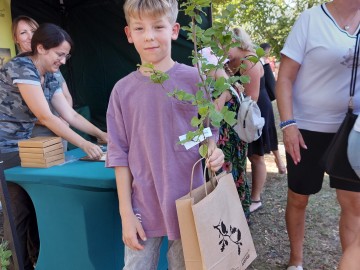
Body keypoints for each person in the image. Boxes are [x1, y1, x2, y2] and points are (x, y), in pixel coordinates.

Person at [105, 0, 224, 269]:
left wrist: (213, 150)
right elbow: (118, 155)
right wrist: (126, 213)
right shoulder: (122, 91)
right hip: (143, 207)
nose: (149, 36)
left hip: (190, 203)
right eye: (139, 28)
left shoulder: (195, 80)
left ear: (174, 29)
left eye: (158, 26)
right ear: (128, 34)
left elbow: (206, 132)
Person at [0, 23, 107, 270]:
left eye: (66, 55)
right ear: (41, 48)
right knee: (17, 212)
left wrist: (102, 135)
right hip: (5, 149)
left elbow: (69, 114)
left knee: (36, 207)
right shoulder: (22, 67)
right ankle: (17, 265)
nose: (63, 61)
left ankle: (39, 262)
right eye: (59, 54)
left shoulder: (49, 75)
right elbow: (46, 116)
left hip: (26, 148)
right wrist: (83, 143)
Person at [276, 0, 360, 268]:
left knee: (354, 204)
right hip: (306, 129)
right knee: (299, 197)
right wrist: (288, 124)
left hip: (353, 130)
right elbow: (285, 78)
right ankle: (296, 261)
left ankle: (351, 262)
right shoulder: (311, 19)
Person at [226, 27, 280, 213]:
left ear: (235, 42)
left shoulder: (249, 61)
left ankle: (256, 199)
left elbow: (252, 99)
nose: (221, 49)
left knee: (256, 156)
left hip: (254, 112)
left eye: (223, 44)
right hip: (241, 113)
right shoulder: (230, 61)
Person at [198, 47, 251, 219]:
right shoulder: (232, 83)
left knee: (224, 180)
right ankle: (240, 216)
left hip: (225, 142)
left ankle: (229, 219)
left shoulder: (221, 89)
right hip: (237, 141)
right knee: (237, 177)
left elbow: (213, 115)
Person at [12, 15, 73, 150]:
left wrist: (64, 119)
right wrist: (53, 121)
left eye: (33, 31)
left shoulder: (52, 62)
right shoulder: (17, 67)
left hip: (61, 128)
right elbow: (29, 112)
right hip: (37, 135)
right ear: (16, 39)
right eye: (23, 33)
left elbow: (66, 96)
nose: (30, 36)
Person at [260, 42, 286, 175]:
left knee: (268, 131)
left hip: (260, 102)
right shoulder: (262, 61)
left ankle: (278, 162)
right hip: (263, 100)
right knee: (269, 131)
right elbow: (272, 86)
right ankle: (279, 162)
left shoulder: (260, 61)